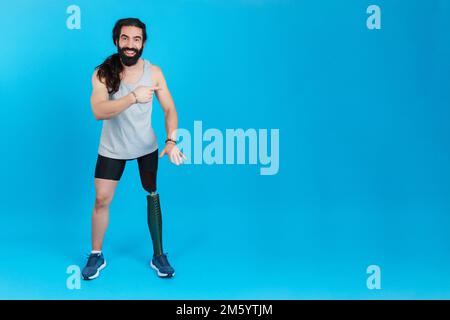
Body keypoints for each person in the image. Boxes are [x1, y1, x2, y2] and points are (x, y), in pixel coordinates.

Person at [81, 17, 185, 280]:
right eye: (125, 38)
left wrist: (171, 140)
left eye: (136, 39)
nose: (130, 44)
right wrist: (132, 97)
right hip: (112, 148)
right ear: (117, 40)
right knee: (102, 200)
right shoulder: (103, 73)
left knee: (152, 193)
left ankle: (159, 255)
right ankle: (95, 254)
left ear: (143, 43)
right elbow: (98, 111)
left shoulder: (155, 73)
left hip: (145, 147)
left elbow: (170, 109)